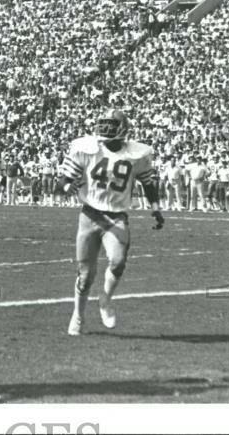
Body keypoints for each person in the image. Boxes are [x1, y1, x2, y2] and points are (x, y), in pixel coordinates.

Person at [56, 109, 163, 335]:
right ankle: (78, 314)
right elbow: (63, 179)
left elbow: (149, 183)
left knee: (118, 261)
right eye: (103, 124)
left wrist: (155, 208)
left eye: (111, 125)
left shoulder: (137, 154)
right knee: (85, 275)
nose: (105, 129)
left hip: (116, 216)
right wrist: (68, 186)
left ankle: (105, 298)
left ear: (122, 128)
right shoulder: (87, 150)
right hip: (90, 214)